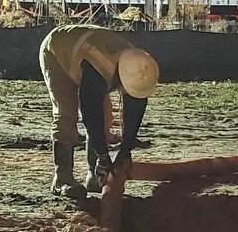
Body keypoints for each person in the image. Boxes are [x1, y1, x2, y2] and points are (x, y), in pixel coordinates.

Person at [39, 23, 161, 199]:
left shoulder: (137, 66)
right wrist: (104, 157)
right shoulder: (99, 67)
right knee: (66, 113)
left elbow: (134, 111)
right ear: (121, 76)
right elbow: (91, 113)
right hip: (58, 49)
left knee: (106, 118)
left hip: (88, 51)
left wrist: (125, 152)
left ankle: (93, 175)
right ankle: (62, 178)